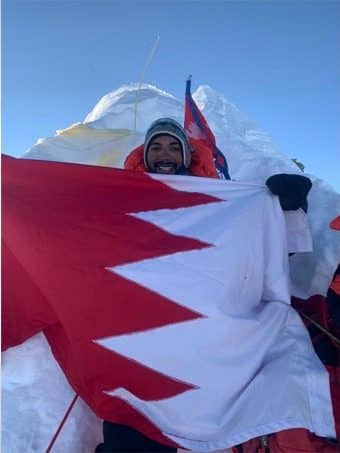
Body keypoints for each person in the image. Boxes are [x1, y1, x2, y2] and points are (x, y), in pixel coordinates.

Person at [96, 117, 312, 453]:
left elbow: (266, 250)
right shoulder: (122, 199)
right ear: (145, 154)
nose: (164, 153)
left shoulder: (217, 203)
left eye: (173, 146)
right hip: (140, 327)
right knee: (133, 419)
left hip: (200, 326)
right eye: (156, 146)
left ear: (186, 155)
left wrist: (285, 208)